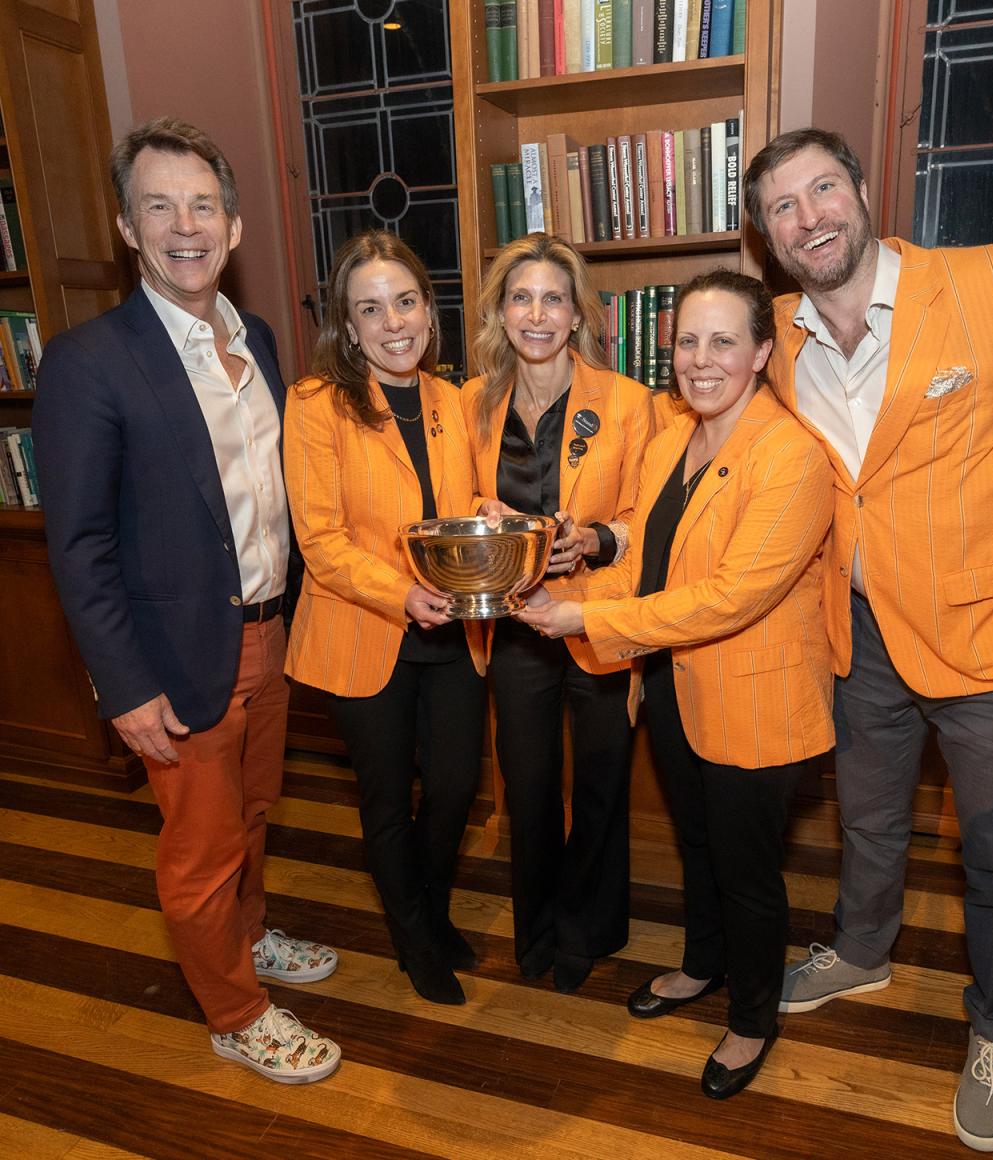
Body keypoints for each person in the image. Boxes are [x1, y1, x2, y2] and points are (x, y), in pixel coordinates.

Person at [743, 127, 993, 1150]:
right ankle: (861, 949)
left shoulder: (991, 283)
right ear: (765, 234)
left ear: (862, 188)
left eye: (822, 187)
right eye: (782, 206)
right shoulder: (775, 339)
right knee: (868, 822)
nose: (808, 216)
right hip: (858, 635)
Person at [33, 118, 340, 1083]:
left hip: (266, 633)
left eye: (202, 204)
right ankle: (236, 1011)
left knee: (250, 818)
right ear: (128, 229)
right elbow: (78, 545)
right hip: (173, 655)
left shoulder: (255, 342)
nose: (184, 225)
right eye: (158, 205)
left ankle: (243, 941)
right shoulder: (90, 362)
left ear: (235, 226)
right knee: (199, 850)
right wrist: (123, 687)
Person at [518, 269, 834, 1099]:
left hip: (755, 696)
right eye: (687, 340)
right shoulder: (671, 441)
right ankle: (702, 964)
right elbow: (652, 567)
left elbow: (733, 596)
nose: (701, 360)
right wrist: (571, 591)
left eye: (724, 341)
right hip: (673, 687)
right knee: (697, 844)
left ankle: (754, 1017)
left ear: (762, 352)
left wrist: (585, 622)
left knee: (747, 868)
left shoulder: (792, 457)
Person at [283, 230, 487, 1006]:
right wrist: (399, 592)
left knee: (458, 786)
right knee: (386, 799)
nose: (393, 322)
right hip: (367, 629)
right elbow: (321, 541)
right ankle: (414, 940)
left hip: (455, 630)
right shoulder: (315, 404)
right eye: (371, 309)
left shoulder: (454, 399)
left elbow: (459, 510)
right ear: (348, 324)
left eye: (405, 302)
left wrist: (490, 515)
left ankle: (430, 911)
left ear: (429, 312)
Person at [462, 233, 655, 994]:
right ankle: (534, 930)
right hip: (514, 627)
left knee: (604, 785)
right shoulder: (473, 405)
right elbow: (451, 511)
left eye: (552, 298)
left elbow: (654, 516)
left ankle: (589, 930)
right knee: (528, 783)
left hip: (600, 620)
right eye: (520, 298)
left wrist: (600, 538)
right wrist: (479, 518)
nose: (536, 314)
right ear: (501, 314)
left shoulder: (630, 403)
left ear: (577, 314)